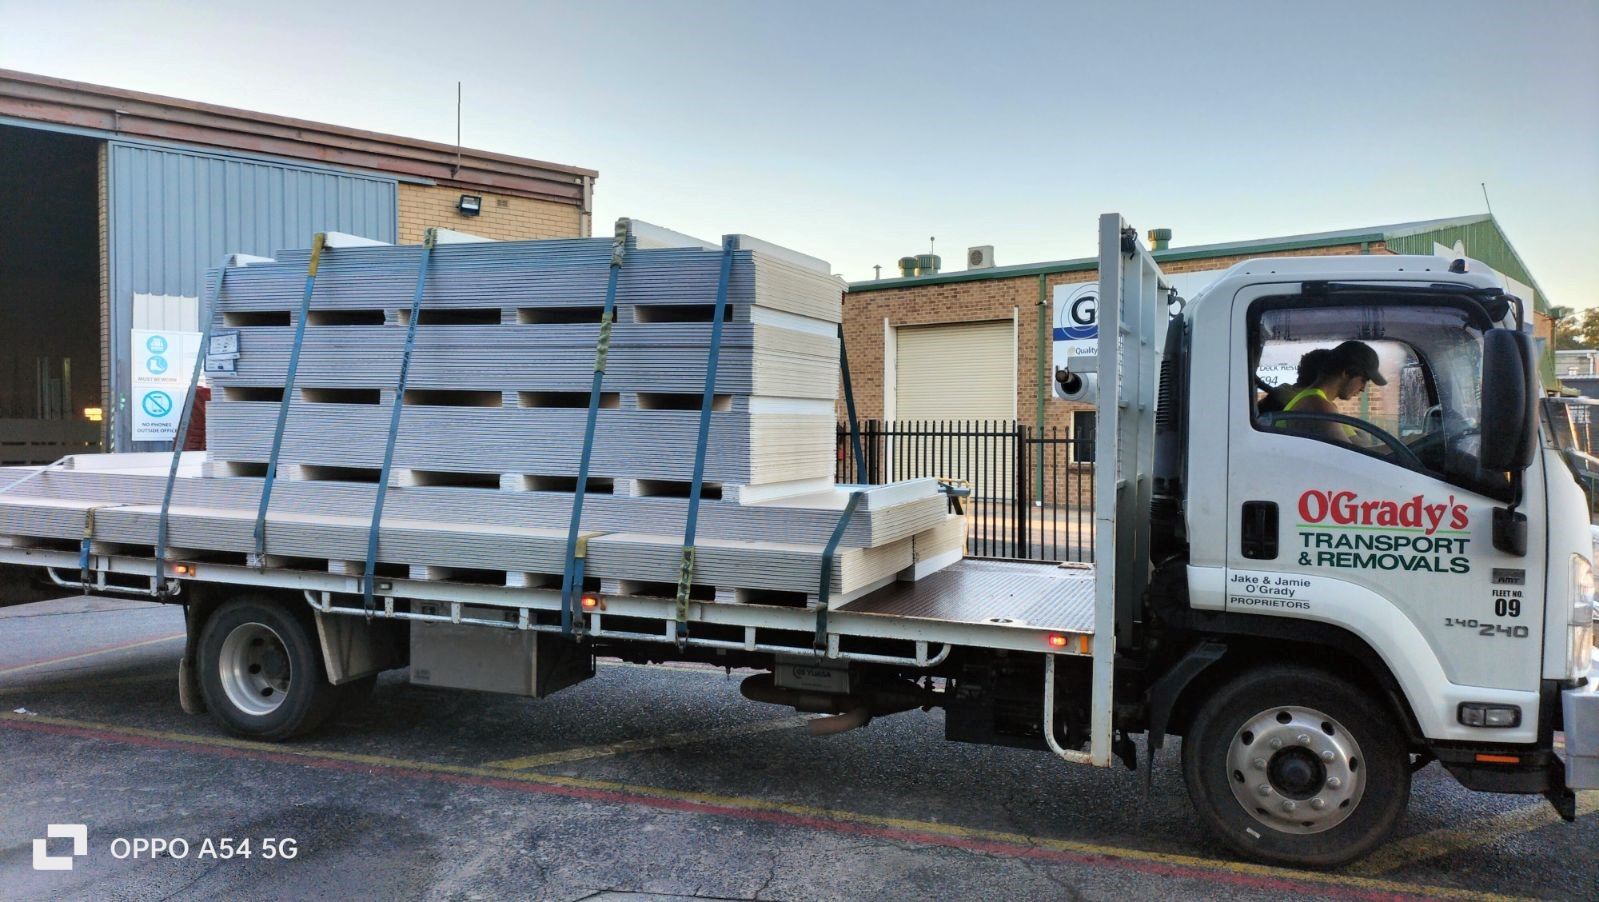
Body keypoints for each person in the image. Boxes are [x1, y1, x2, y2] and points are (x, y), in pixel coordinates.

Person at [1279, 341, 1386, 445]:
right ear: (1346, 372)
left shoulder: (1314, 400)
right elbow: (1355, 457)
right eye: (1363, 380)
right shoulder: (1317, 406)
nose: (1363, 388)